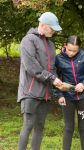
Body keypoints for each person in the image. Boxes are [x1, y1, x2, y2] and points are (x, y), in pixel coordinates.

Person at [17, 12, 63, 150]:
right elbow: (32, 67)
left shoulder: (51, 45)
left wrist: (57, 79)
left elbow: (52, 68)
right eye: (52, 28)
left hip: (45, 94)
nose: (54, 31)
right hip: (30, 92)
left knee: (40, 127)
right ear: (42, 25)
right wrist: (52, 78)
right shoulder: (28, 40)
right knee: (28, 125)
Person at [55, 35, 84, 150]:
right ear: (65, 46)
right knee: (69, 127)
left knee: (83, 127)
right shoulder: (59, 58)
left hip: (83, 97)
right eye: (69, 50)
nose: (71, 53)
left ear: (79, 48)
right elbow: (55, 78)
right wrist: (59, 95)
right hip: (67, 97)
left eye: (75, 51)